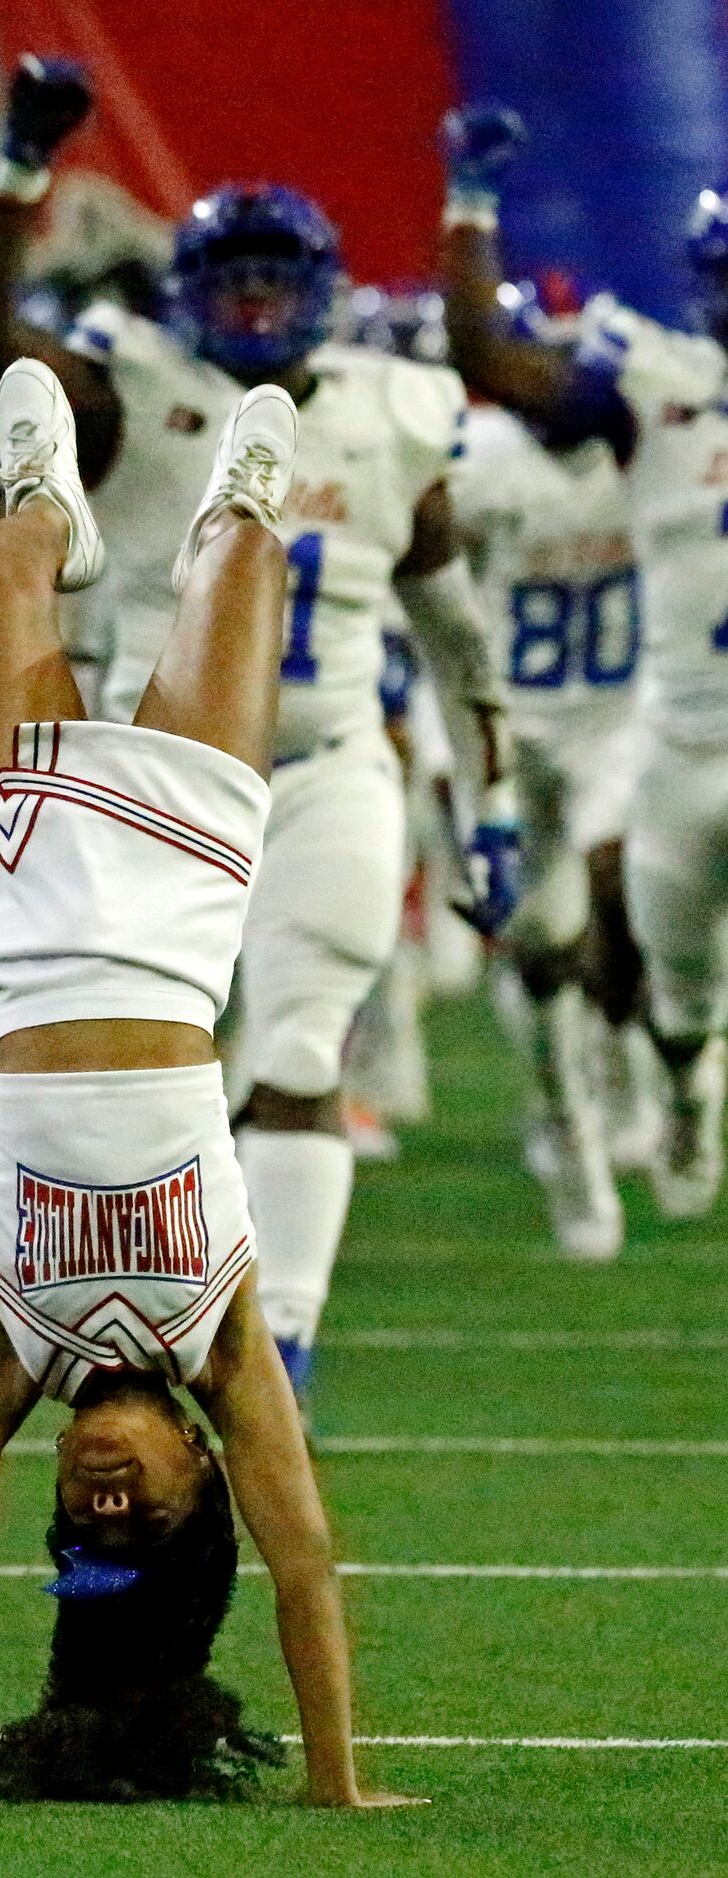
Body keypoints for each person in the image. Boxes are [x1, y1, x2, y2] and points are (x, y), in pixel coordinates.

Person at [0, 360, 423, 1810]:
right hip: (179, 911)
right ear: (195, 1476)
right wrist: (336, 1780)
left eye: (73, 1521)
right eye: (136, 1513)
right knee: (249, 539)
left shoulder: (6, 1349)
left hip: (18, 902)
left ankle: (50, 502)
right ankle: (208, 516)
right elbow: (302, 1559)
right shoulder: (221, 1338)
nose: (96, 1499)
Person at [0, 55, 518, 1406]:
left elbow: (454, 636)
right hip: (160, 787)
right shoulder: (131, 386)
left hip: (324, 766)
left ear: (318, 292)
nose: (254, 301)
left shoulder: (397, 417)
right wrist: (19, 172)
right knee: (125, 1061)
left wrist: (484, 804)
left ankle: (288, 1340)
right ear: (187, 292)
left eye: (276, 277)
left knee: (300, 1051)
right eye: (232, 277)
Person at [438, 105, 728, 1220]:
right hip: (603, 722)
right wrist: (469, 205)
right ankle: (606, 1096)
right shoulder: (651, 394)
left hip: (622, 714)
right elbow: (488, 362)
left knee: (611, 906)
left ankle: (666, 1087)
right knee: (588, 951)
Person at [448, 285, 650, 1260]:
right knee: (541, 947)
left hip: (619, 718)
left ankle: (633, 1070)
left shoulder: (644, 448)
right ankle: (569, 1117)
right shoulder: (485, 459)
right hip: (518, 728)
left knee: (618, 885)